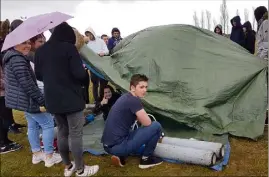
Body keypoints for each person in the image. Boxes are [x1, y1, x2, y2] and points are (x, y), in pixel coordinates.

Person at [34, 22, 99, 177]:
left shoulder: (40, 51)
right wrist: (83, 75)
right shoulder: (69, 48)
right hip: (71, 98)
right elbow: (79, 74)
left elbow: (38, 75)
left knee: (63, 131)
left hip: (53, 99)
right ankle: (81, 169)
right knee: (76, 133)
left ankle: (68, 166)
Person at [2, 36, 62, 167]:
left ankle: (37, 154)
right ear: (14, 44)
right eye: (23, 42)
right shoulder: (17, 59)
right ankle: (49, 156)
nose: (28, 45)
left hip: (24, 100)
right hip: (28, 99)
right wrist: (42, 101)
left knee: (33, 125)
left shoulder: (13, 57)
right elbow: (28, 85)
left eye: (29, 43)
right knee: (47, 124)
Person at [102, 74, 163, 169]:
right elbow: (147, 123)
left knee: (133, 131)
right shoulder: (134, 100)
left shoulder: (125, 97)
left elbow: (139, 121)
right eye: (141, 87)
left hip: (108, 145)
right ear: (133, 87)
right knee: (156, 126)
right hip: (118, 145)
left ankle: (121, 155)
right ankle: (146, 159)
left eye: (146, 87)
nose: (145, 90)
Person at [0, 19, 22, 154]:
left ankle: (5, 140)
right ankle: (2, 144)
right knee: (4, 118)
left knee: (5, 117)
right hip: (1, 91)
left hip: (3, 90)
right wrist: (8, 84)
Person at [85, 26, 109, 104]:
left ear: (92, 33)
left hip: (101, 65)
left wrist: (103, 53)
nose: (89, 36)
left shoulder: (100, 41)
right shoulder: (87, 44)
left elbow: (107, 51)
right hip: (92, 67)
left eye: (89, 34)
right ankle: (96, 100)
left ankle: (102, 98)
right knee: (95, 83)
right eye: (87, 35)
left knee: (103, 83)